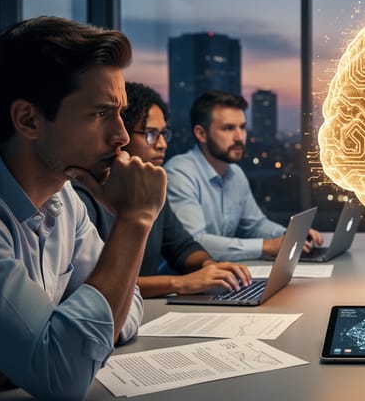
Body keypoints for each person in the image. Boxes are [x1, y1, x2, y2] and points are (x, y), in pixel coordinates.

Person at [0, 16, 166, 401]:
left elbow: (129, 302)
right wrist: (135, 219)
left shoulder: (64, 199)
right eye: (100, 113)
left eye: (119, 113)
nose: (120, 135)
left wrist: (47, 336)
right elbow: (65, 374)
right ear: (28, 119)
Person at [75, 82, 251, 298]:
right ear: (122, 136)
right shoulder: (83, 195)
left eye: (163, 134)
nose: (161, 144)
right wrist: (179, 283)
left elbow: (182, 247)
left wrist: (209, 266)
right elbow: (98, 284)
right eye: (150, 134)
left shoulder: (150, 186)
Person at [165, 90, 322, 260]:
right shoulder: (179, 174)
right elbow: (194, 243)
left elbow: (255, 225)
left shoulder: (235, 174)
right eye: (228, 128)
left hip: (225, 275)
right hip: (189, 281)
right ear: (201, 134)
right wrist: (268, 246)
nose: (239, 137)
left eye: (242, 127)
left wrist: (289, 235)